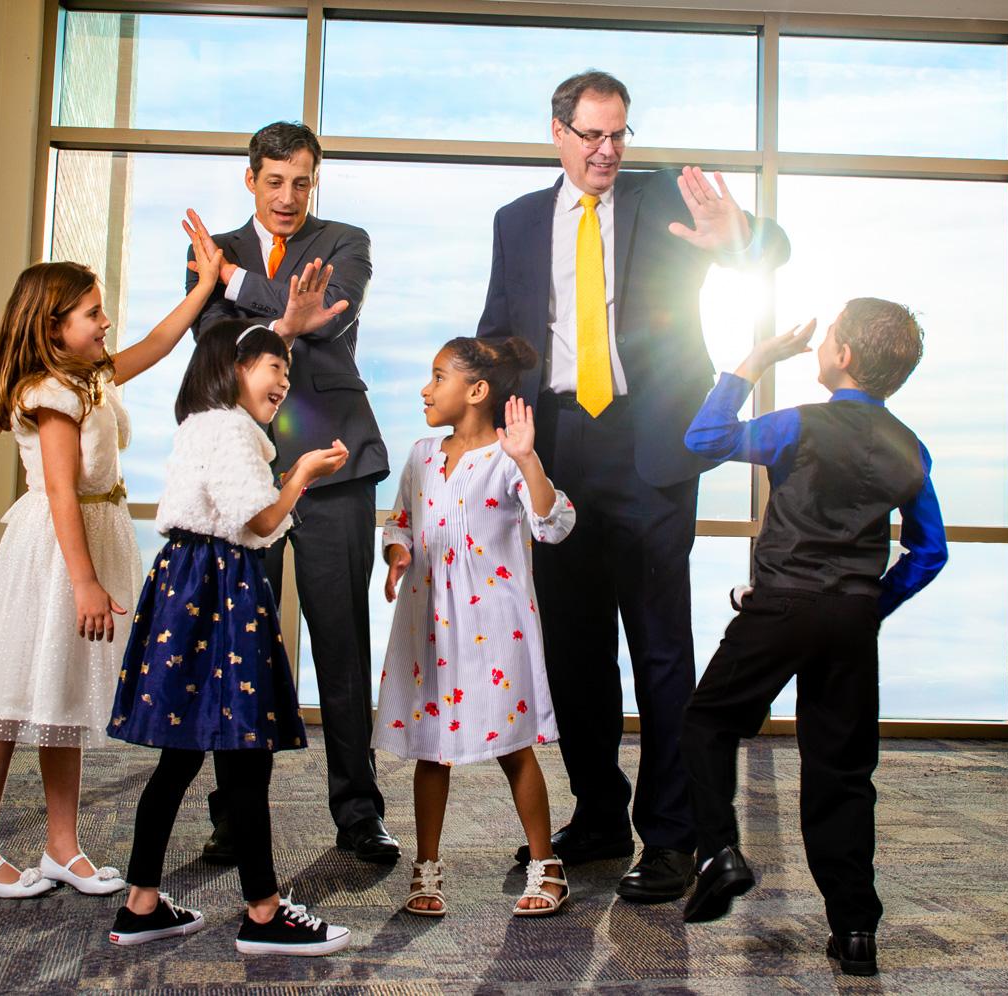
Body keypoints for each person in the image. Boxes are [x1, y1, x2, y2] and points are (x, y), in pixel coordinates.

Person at [476, 70, 791, 902]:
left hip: (649, 446)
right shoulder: (515, 222)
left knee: (658, 650)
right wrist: (475, 423)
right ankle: (601, 814)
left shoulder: (662, 198)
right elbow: (501, 332)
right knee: (575, 649)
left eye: (619, 135)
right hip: (557, 446)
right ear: (557, 132)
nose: (608, 151)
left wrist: (739, 234)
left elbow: (772, 251)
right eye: (592, 135)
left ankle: (674, 835)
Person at [0, 213, 224, 898]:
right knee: (7, 700)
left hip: (87, 539)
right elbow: (63, 493)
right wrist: (85, 583)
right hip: (54, 554)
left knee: (59, 699)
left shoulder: (90, 376)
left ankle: (60, 847)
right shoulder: (50, 395)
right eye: (93, 313)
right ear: (52, 327)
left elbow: (159, 344)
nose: (106, 323)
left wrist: (205, 286)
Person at [675, 301, 948, 980]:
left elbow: (705, 439)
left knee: (707, 722)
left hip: (780, 609)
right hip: (852, 620)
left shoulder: (799, 425)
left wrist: (755, 361)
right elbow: (928, 552)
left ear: (845, 356)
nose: (822, 346)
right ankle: (855, 928)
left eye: (828, 339)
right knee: (843, 773)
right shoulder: (909, 446)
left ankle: (720, 854)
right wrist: (871, 603)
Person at [104, 299, 356, 956]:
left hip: (188, 582)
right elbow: (260, 521)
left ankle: (141, 903)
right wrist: (299, 474)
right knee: (243, 757)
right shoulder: (231, 429)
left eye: (288, 371)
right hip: (217, 586)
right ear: (235, 365)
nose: (283, 382)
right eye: (275, 365)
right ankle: (265, 914)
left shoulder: (201, 424)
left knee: (182, 756)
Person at [187, 121, 398, 864]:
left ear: (316, 182)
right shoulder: (209, 251)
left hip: (334, 465)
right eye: (274, 181)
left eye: (301, 182)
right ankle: (232, 816)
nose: (287, 197)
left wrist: (244, 291)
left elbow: (333, 314)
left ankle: (358, 812)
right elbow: (218, 355)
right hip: (245, 474)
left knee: (341, 645)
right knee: (240, 649)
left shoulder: (345, 241)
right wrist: (283, 320)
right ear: (251, 179)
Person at [373, 338, 576, 918]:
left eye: (438, 377)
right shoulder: (420, 455)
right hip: (431, 621)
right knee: (430, 750)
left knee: (513, 747)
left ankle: (546, 865)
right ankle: (427, 867)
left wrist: (528, 458)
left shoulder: (509, 460)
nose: (425, 389)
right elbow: (401, 520)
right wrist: (396, 555)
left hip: (496, 622)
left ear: (477, 391)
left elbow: (552, 524)